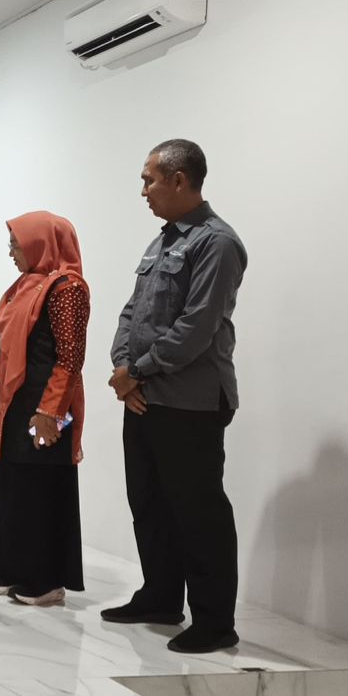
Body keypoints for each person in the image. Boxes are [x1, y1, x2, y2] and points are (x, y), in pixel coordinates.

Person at [103, 139, 248, 654]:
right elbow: (132, 312)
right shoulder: (162, 241)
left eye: (149, 179)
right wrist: (122, 367)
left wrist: (136, 372)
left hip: (190, 402)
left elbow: (196, 328)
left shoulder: (217, 243)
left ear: (179, 180)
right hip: (146, 396)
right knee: (149, 502)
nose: (143, 190)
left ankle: (215, 621)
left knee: (198, 511)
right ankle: (161, 597)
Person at [0, 212, 89, 607]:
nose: (11, 252)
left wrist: (51, 411)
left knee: (42, 485)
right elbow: (6, 353)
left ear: (40, 244)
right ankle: (15, 567)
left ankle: (46, 580)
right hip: (17, 400)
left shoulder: (66, 288)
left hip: (46, 403)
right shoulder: (23, 288)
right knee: (16, 481)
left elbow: (70, 358)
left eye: (16, 244)